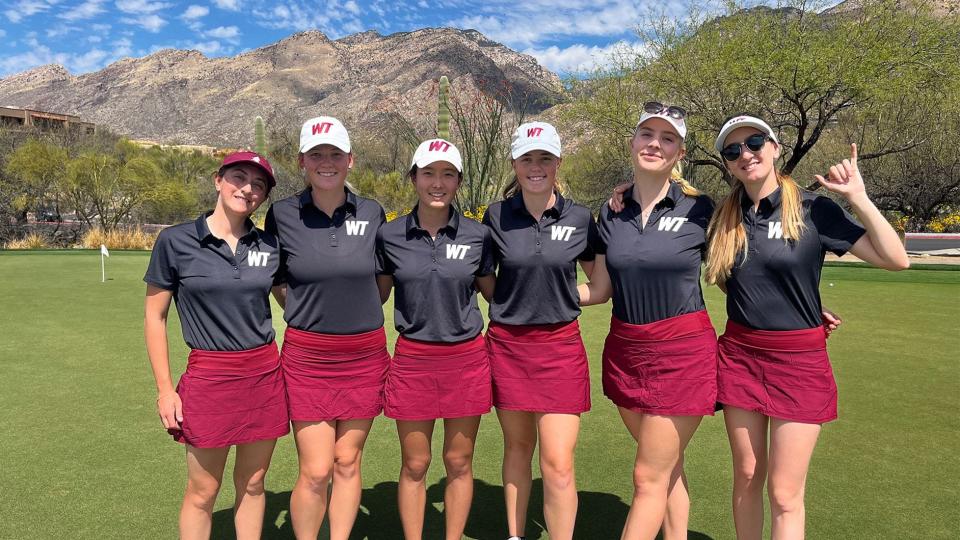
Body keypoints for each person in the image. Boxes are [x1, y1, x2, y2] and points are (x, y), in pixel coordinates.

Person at [707, 114, 909, 539]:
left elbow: (896, 259)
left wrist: (859, 197)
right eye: (733, 150)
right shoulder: (723, 218)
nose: (746, 154)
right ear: (727, 164)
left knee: (784, 493)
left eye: (755, 143)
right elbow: (741, 281)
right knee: (746, 475)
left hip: (799, 362)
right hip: (741, 356)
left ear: (776, 148)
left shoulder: (815, 209)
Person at [578, 102, 717, 540]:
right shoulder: (611, 212)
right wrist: (532, 292)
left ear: (680, 153)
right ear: (633, 142)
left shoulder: (701, 209)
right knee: (666, 468)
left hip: (682, 352)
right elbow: (599, 289)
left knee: (647, 477)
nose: (655, 143)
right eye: (647, 135)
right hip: (626, 350)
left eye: (668, 138)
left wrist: (799, 307)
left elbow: (740, 270)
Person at [144, 151, 287, 539]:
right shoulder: (176, 241)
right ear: (217, 180)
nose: (248, 189)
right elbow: (155, 318)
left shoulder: (269, 246)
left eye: (259, 185)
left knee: (254, 484)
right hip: (210, 377)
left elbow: (293, 302)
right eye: (239, 178)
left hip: (263, 376)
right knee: (203, 491)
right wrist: (164, 391)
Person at [263, 116, 389, 540]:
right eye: (317, 154)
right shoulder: (282, 214)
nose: (327, 162)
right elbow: (278, 280)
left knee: (348, 461)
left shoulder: (372, 212)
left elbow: (382, 281)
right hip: (308, 356)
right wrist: (304, 310)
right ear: (302, 161)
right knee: (316, 469)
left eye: (335, 153)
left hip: (364, 354)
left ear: (350, 160)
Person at [479, 121, 599, 540]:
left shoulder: (580, 217)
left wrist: (562, 297)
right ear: (514, 163)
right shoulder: (496, 216)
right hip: (509, 347)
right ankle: (516, 535)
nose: (536, 166)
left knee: (558, 461)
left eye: (544, 158)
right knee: (517, 447)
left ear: (557, 162)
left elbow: (600, 286)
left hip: (561, 348)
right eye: (527, 158)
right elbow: (485, 278)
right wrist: (516, 302)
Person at [375, 139, 495, 540]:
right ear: (414, 178)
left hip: (466, 359)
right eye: (428, 173)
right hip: (412, 359)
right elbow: (375, 294)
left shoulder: (478, 235)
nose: (437, 183)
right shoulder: (389, 235)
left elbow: (496, 293)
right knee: (415, 463)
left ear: (459, 181)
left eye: (448, 174)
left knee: (459, 461)